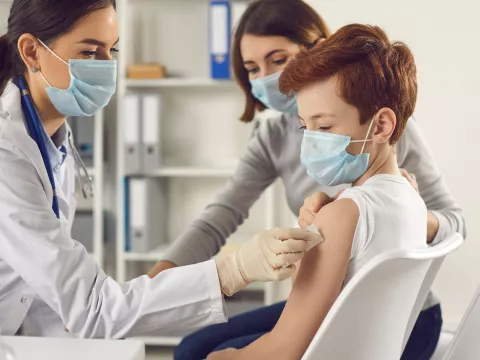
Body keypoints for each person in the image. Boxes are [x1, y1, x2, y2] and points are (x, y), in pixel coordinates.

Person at [0, 0, 321, 338]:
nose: (108, 67)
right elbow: (91, 307)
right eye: (90, 53)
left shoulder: (50, 141)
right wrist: (233, 269)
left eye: (112, 50)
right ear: (32, 53)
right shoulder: (9, 153)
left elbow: (50, 291)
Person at [165, 0, 465, 359]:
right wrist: (154, 287)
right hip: (355, 310)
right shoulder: (282, 142)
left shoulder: (385, 139)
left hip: (399, 318)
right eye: (306, 128)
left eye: (277, 60)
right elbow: (221, 214)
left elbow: (285, 349)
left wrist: (411, 216)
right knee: (193, 347)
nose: (266, 78)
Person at [206, 23, 430, 359]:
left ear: (382, 125)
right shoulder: (410, 195)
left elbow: (283, 350)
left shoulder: (343, 215)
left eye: (324, 126)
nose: (311, 141)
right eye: (304, 126)